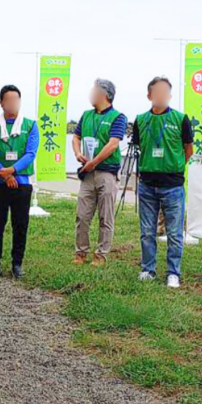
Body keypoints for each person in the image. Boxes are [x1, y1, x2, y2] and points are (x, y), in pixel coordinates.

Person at [132, 77, 194, 288]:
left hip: (173, 185)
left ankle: (173, 273)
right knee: (147, 231)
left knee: (175, 232)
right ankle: (148, 269)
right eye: (156, 92)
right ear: (149, 95)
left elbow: (188, 148)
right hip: (147, 183)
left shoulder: (180, 119)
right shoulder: (140, 120)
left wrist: (174, 166)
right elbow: (139, 145)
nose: (161, 95)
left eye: (165, 92)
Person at [0, 85, 39, 280]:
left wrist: (13, 170)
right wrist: (4, 174)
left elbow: (31, 153)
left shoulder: (30, 125)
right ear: (1, 103)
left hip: (22, 183)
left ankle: (17, 263)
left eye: (16, 100)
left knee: (20, 224)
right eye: (9, 100)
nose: (13, 104)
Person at [72, 78, 126, 266]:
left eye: (93, 90)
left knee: (106, 216)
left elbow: (113, 144)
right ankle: (80, 252)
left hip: (106, 173)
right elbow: (76, 137)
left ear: (104, 94)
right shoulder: (86, 115)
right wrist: (78, 154)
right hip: (87, 174)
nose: (90, 93)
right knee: (82, 215)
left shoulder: (118, 117)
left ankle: (101, 254)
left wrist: (94, 162)